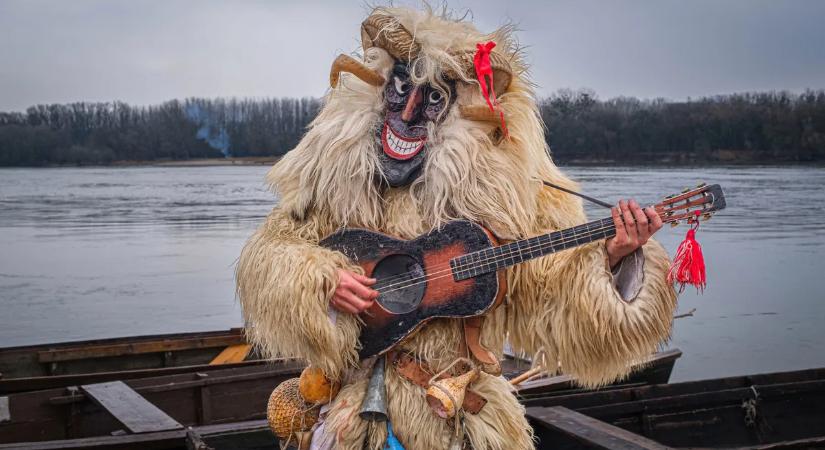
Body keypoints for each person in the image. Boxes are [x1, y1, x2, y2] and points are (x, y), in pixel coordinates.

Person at [237, 6, 677, 449]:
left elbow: (554, 298)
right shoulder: (335, 181)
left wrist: (614, 258)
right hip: (352, 415)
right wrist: (321, 279)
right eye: (400, 89)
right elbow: (272, 253)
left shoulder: (510, 199)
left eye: (432, 99)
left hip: (459, 420)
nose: (409, 113)